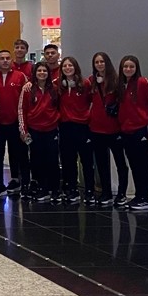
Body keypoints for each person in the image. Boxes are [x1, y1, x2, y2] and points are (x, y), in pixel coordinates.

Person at [89, 52, 128, 206]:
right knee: (102, 163)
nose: (99, 64)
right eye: (97, 62)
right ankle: (106, 192)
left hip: (115, 129)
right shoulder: (91, 82)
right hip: (97, 129)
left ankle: (122, 193)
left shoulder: (117, 81)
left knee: (120, 163)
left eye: (102, 62)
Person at [116, 55, 148, 211]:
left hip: (141, 129)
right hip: (126, 130)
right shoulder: (121, 85)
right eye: (125, 66)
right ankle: (139, 195)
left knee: (143, 165)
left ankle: (145, 197)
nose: (128, 69)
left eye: (131, 66)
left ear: (136, 68)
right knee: (134, 164)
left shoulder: (142, 83)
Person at [19, 62, 61, 202]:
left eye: (44, 70)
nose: (42, 73)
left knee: (53, 160)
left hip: (51, 130)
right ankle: (42, 188)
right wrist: (23, 130)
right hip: (35, 130)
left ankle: (54, 189)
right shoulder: (28, 89)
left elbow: (59, 108)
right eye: (39, 71)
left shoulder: (54, 89)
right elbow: (21, 110)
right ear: (35, 73)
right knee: (37, 160)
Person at [57, 57, 95, 204]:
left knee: (86, 161)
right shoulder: (59, 86)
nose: (67, 68)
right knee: (68, 161)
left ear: (75, 67)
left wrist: (87, 116)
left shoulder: (85, 84)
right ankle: (71, 189)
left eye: (70, 65)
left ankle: (90, 190)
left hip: (83, 127)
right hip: (66, 127)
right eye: (65, 66)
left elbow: (92, 101)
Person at [0, 49, 29, 197]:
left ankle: (20, 181)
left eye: (8, 58)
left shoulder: (20, 77)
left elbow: (27, 98)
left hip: (16, 122)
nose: (5, 61)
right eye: (2, 58)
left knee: (19, 153)